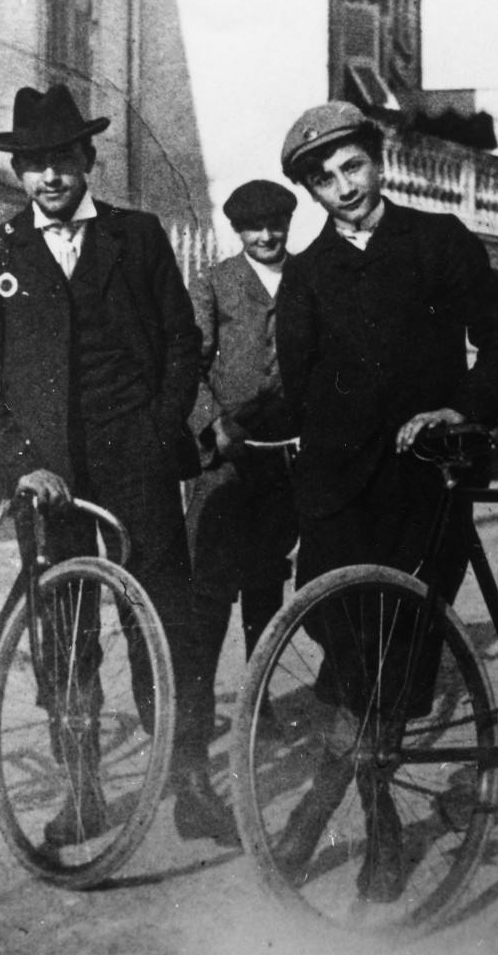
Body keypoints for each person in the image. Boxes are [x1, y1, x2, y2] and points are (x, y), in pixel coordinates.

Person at [0, 83, 237, 847]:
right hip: (47, 479)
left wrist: (157, 426)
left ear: (89, 160)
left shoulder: (137, 238)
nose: (49, 178)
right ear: (19, 172)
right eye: (34, 164)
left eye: (63, 161)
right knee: (63, 634)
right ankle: (83, 793)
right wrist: (17, 468)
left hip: (137, 463)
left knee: (165, 623)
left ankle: (192, 784)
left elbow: (182, 342)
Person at [271, 101, 498, 900]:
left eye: (353, 166)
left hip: (423, 487)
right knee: (349, 657)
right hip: (337, 499)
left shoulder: (437, 241)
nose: (343, 187)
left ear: (377, 160)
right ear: (311, 191)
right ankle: (339, 796)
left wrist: (463, 408)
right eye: (324, 179)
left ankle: (370, 816)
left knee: (397, 659)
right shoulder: (307, 275)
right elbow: (298, 390)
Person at [186, 179, 299, 706]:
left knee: (266, 583)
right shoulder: (215, 282)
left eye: (276, 223)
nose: (267, 235)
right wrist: (214, 426)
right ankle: (199, 706)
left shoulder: (306, 279)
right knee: (210, 584)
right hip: (227, 458)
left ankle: (258, 703)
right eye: (255, 226)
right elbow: (189, 365)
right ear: (237, 230)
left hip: (285, 455)